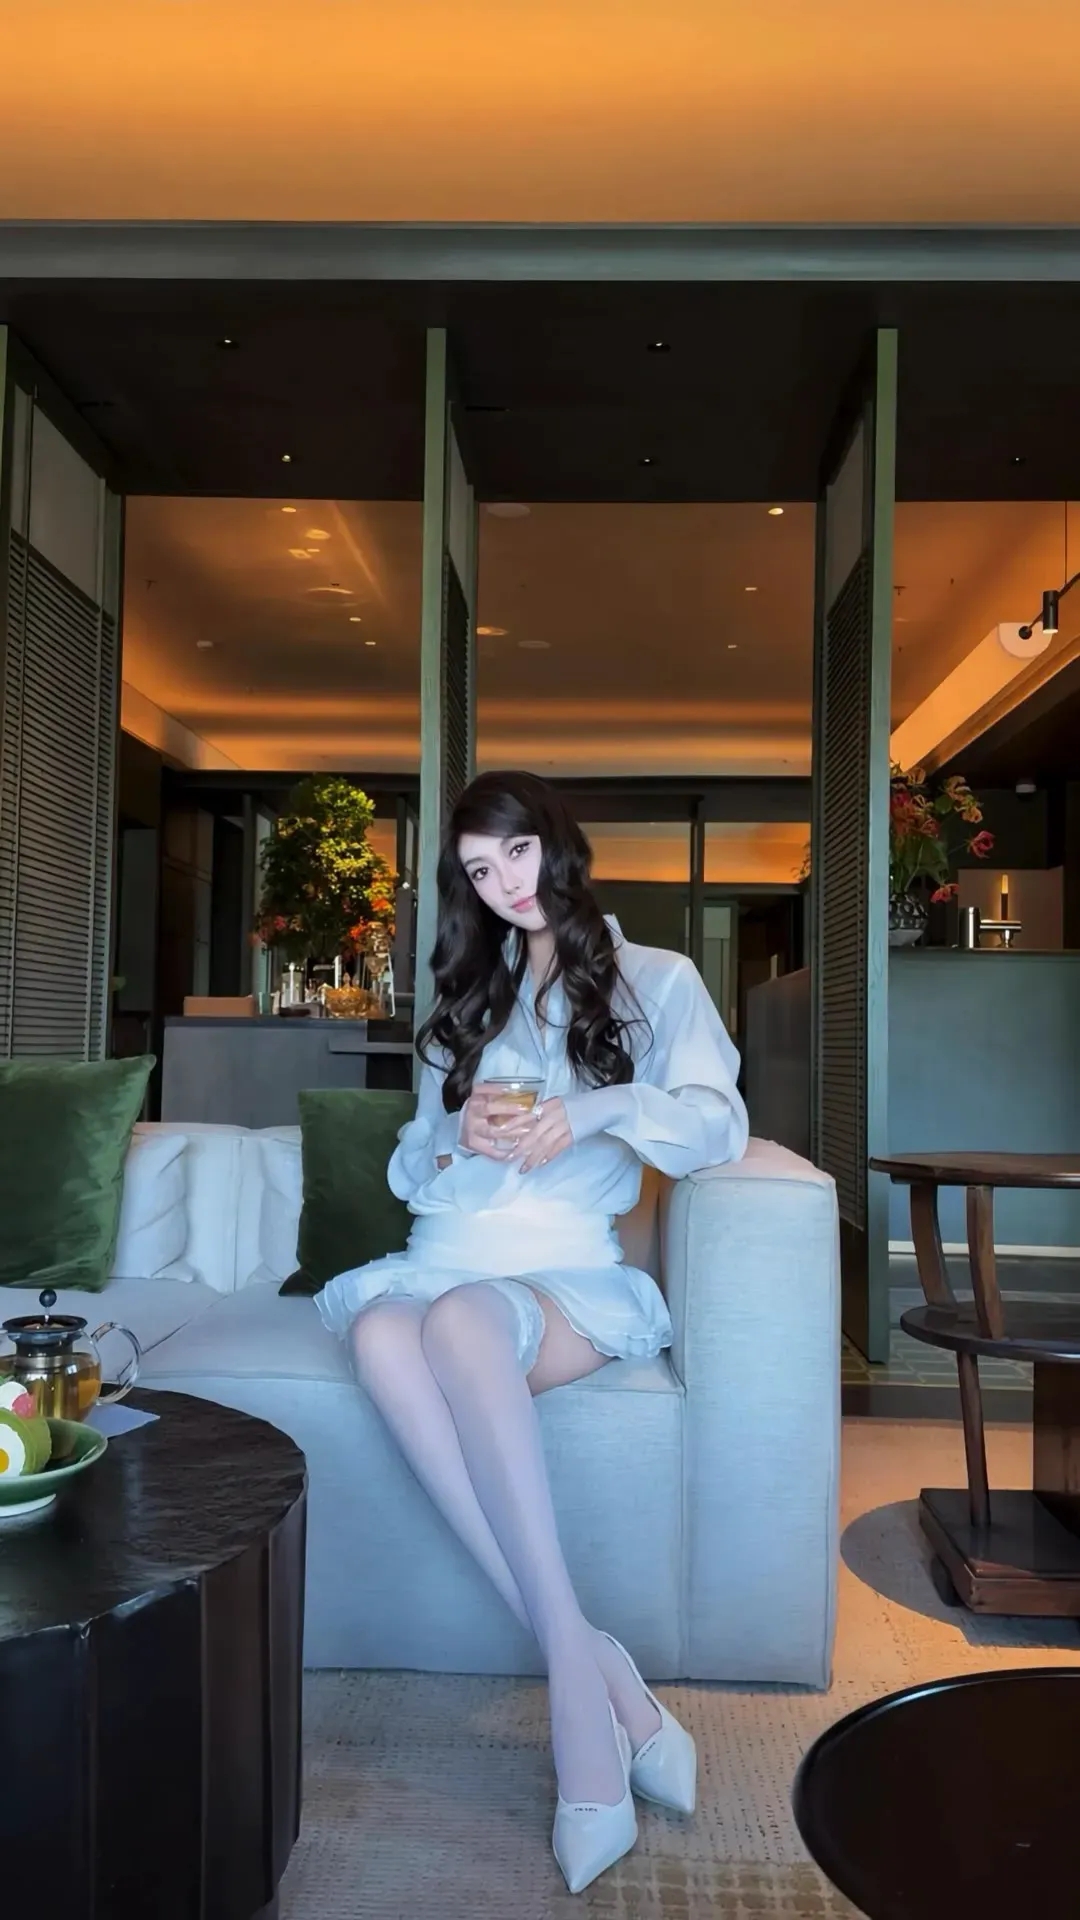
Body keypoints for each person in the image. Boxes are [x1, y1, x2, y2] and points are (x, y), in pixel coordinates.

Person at [316, 770, 748, 1893]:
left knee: (459, 1324)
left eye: (514, 852)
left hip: (561, 1271)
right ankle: (597, 1670)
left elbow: (717, 1125)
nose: (504, 883)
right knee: (381, 1337)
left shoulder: (658, 979)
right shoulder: (468, 994)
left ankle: (578, 1720)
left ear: (556, 844)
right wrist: (453, 1133)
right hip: (445, 1250)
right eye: (477, 869)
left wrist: (594, 1111)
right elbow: (410, 1166)